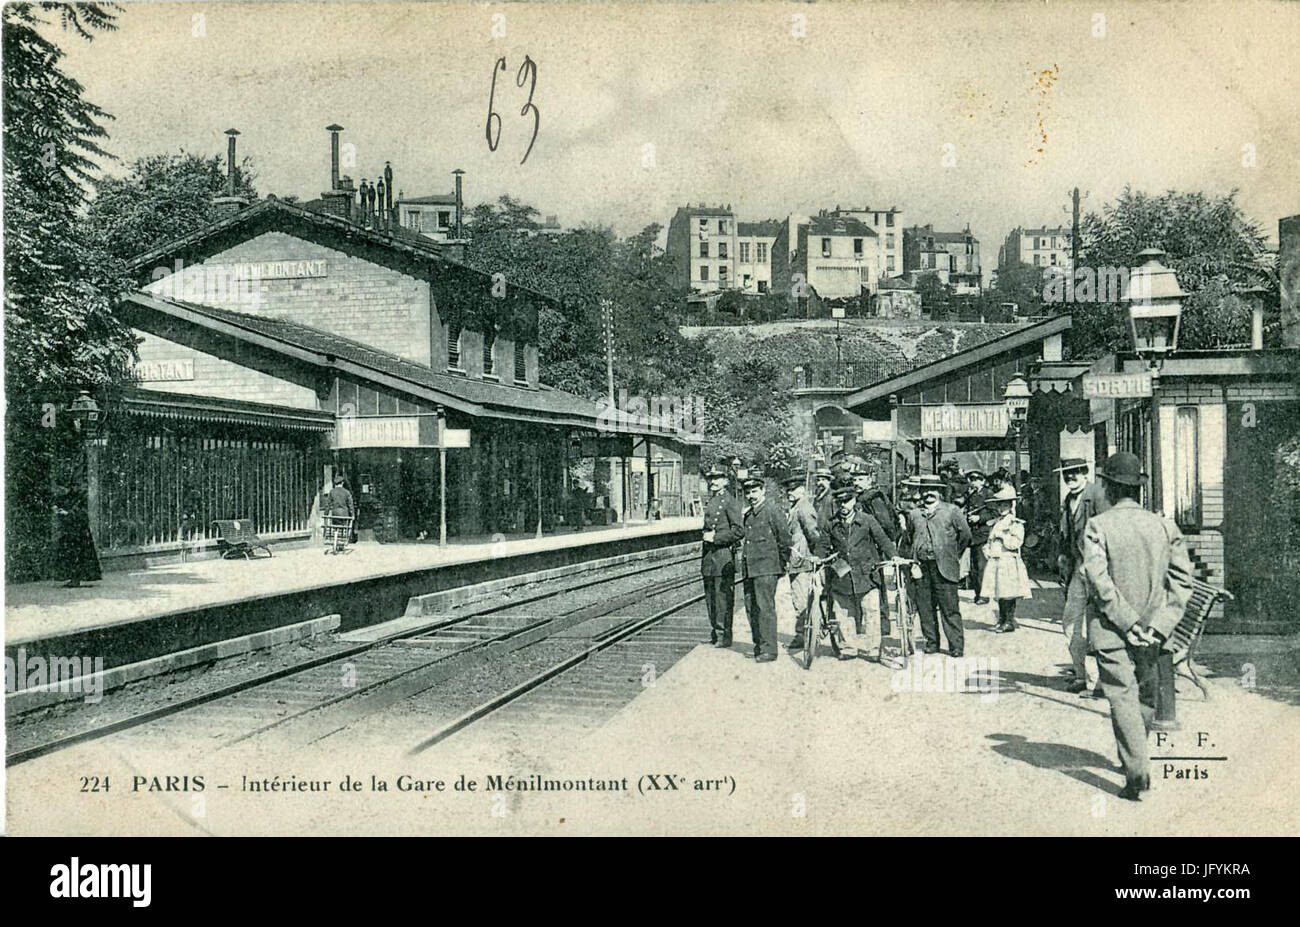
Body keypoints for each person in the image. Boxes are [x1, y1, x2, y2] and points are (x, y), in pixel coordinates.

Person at [1081, 452, 1194, 801]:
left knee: (1121, 696)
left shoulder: (1097, 526)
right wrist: (1159, 625)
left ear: (1109, 488)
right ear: (1138, 488)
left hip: (1111, 628)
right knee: (1145, 694)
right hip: (1155, 629)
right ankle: (1136, 756)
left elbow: (1098, 582)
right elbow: (1182, 582)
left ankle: (1136, 771)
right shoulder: (1164, 526)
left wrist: (1127, 622)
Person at [825, 481, 898, 661]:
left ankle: (873, 649)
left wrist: (894, 556)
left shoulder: (867, 520)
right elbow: (823, 545)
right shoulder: (832, 524)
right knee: (843, 611)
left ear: (854, 501)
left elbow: (883, 540)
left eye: (847, 501)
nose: (843, 505)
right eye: (840, 502)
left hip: (866, 573)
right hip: (842, 573)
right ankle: (848, 647)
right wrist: (818, 557)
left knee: (871, 611)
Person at [1057, 457, 1109, 695]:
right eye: (1066, 474)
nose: (1070, 477)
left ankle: (1098, 681)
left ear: (1085, 473)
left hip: (1097, 569)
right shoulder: (1069, 499)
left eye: (1075, 472)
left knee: (1097, 626)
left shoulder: (1097, 496)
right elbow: (1067, 536)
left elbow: (1109, 533)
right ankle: (1081, 674)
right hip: (1077, 568)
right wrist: (1064, 557)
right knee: (1070, 622)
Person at [904, 474, 972, 656]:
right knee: (925, 608)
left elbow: (965, 535)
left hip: (944, 567)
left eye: (932, 490)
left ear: (940, 492)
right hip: (921, 568)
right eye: (925, 490)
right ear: (920, 492)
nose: (928, 493)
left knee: (949, 608)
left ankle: (956, 646)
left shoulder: (952, 511)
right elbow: (908, 538)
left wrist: (952, 554)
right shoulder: (914, 514)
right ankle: (931, 642)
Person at [739, 475, 791, 664]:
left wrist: (780, 565)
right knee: (751, 608)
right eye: (748, 492)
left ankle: (769, 649)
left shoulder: (772, 510)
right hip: (750, 568)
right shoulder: (749, 514)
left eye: (754, 491)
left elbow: (784, 540)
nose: (751, 496)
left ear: (762, 491)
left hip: (766, 568)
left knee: (765, 608)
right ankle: (759, 645)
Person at [701, 464, 743, 647]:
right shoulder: (712, 500)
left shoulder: (730, 501)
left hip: (723, 556)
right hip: (709, 557)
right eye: (711, 478)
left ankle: (724, 635)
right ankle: (715, 632)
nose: (713, 482)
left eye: (717, 478)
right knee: (711, 597)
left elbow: (738, 530)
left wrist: (716, 538)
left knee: (722, 598)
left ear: (725, 481)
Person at [783, 471, 824, 654]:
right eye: (788, 490)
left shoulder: (804, 508)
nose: (789, 493)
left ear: (802, 490)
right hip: (798, 559)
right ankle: (807, 633)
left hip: (802, 560)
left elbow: (814, 534)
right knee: (799, 597)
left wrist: (815, 554)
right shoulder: (797, 506)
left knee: (801, 599)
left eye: (793, 489)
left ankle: (804, 635)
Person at [981, 484, 1031, 632]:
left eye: (1005, 505)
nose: (1001, 508)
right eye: (999, 505)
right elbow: (990, 540)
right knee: (999, 591)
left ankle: (1009, 620)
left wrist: (1003, 537)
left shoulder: (1015, 523)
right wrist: (987, 549)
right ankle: (1002, 619)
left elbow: (1016, 543)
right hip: (996, 560)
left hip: (1008, 560)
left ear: (1010, 506)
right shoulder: (996, 522)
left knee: (1008, 592)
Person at [53, 485, 101, 588]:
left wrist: (68, 513)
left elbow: (81, 513)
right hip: (69, 531)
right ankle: (73, 578)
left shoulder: (79, 497)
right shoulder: (65, 497)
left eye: (62, 489)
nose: (60, 491)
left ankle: (76, 579)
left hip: (78, 532)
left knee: (77, 554)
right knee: (70, 554)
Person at [964, 470, 997, 605]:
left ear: (983, 481)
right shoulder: (971, 495)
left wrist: (979, 518)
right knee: (974, 567)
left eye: (976, 479)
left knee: (981, 566)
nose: (973, 482)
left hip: (983, 534)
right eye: (971, 479)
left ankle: (984, 595)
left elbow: (994, 514)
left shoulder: (988, 494)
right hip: (973, 534)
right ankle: (978, 594)